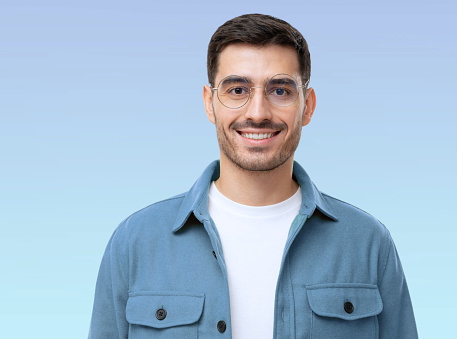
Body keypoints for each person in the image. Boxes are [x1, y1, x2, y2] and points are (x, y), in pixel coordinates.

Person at [89, 13, 418, 338]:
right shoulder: (134, 243)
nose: (258, 113)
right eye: (236, 90)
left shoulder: (368, 243)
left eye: (280, 91)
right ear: (209, 103)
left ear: (308, 106)